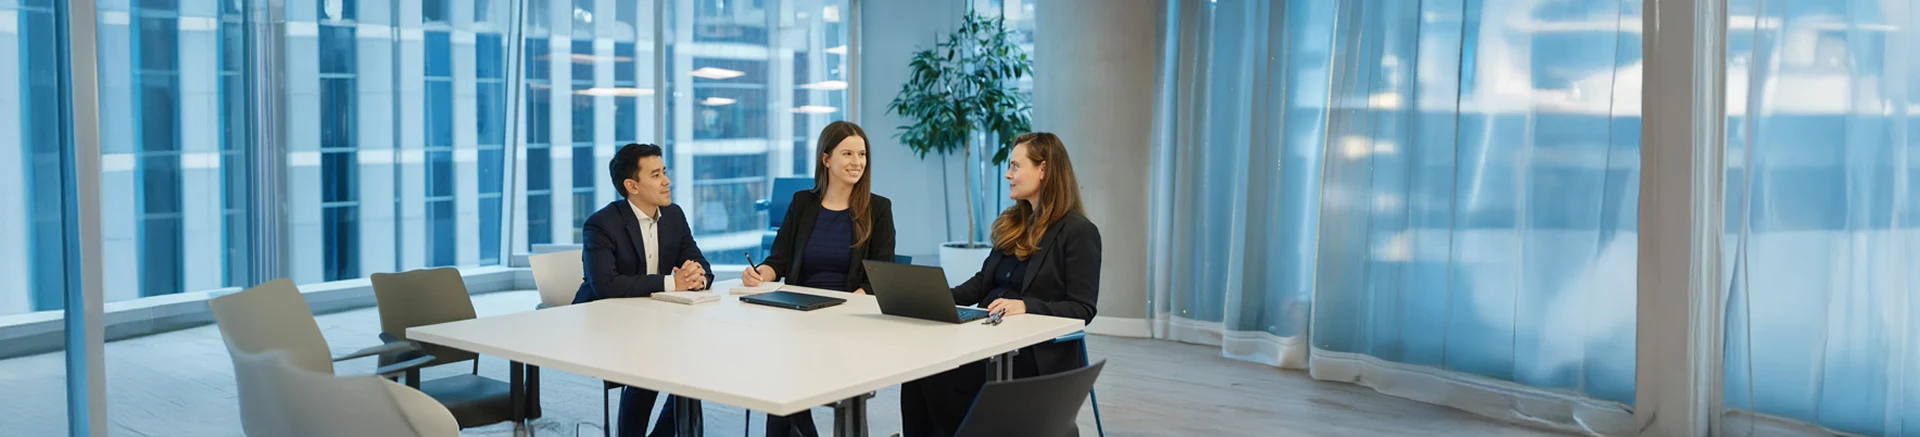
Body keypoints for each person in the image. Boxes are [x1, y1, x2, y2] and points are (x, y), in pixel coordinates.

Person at [899, 132, 1102, 437]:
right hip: (989, 338)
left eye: (1015, 166)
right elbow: (982, 283)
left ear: (1043, 169)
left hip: (1034, 352)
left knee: (938, 377)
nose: (1008, 174)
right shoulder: (1015, 223)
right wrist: (933, 297)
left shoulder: (1079, 232)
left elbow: (1082, 308)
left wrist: (1024, 306)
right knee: (918, 370)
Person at [740, 121, 896, 437]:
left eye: (862, 154)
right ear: (826, 159)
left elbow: (880, 273)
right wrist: (760, 274)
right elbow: (778, 260)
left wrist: (849, 305)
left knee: (787, 390)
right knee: (781, 391)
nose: (857, 162)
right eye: (848, 153)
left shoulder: (878, 208)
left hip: (849, 318)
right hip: (799, 315)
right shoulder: (802, 203)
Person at [575, 143, 715, 437]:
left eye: (664, 172)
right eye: (656, 175)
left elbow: (700, 264)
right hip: (607, 323)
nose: (666, 181)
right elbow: (606, 285)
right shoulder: (601, 225)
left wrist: (696, 277)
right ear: (632, 185)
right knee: (652, 363)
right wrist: (671, 282)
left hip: (656, 318)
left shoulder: (673, 215)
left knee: (694, 366)